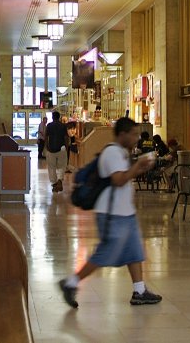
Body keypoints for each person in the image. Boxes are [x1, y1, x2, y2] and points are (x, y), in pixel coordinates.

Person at [59, 116, 162, 308]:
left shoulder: (121, 152)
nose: (137, 138)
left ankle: (140, 291)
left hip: (125, 213)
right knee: (105, 254)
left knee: (134, 252)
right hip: (112, 214)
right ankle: (70, 283)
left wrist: (139, 167)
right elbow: (118, 179)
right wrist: (138, 167)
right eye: (133, 134)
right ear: (122, 134)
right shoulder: (112, 153)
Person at [44, 110, 68, 193]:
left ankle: (54, 184)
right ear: (59, 117)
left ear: (52, 117)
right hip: (61, 148)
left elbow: (46, 137)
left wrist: (47, 146)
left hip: (51, 149)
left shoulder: (49, 126)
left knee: (51, 167)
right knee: (62, 165)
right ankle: (60, 180)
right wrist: (67, 148)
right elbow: (65, 138)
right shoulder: (63, 126)